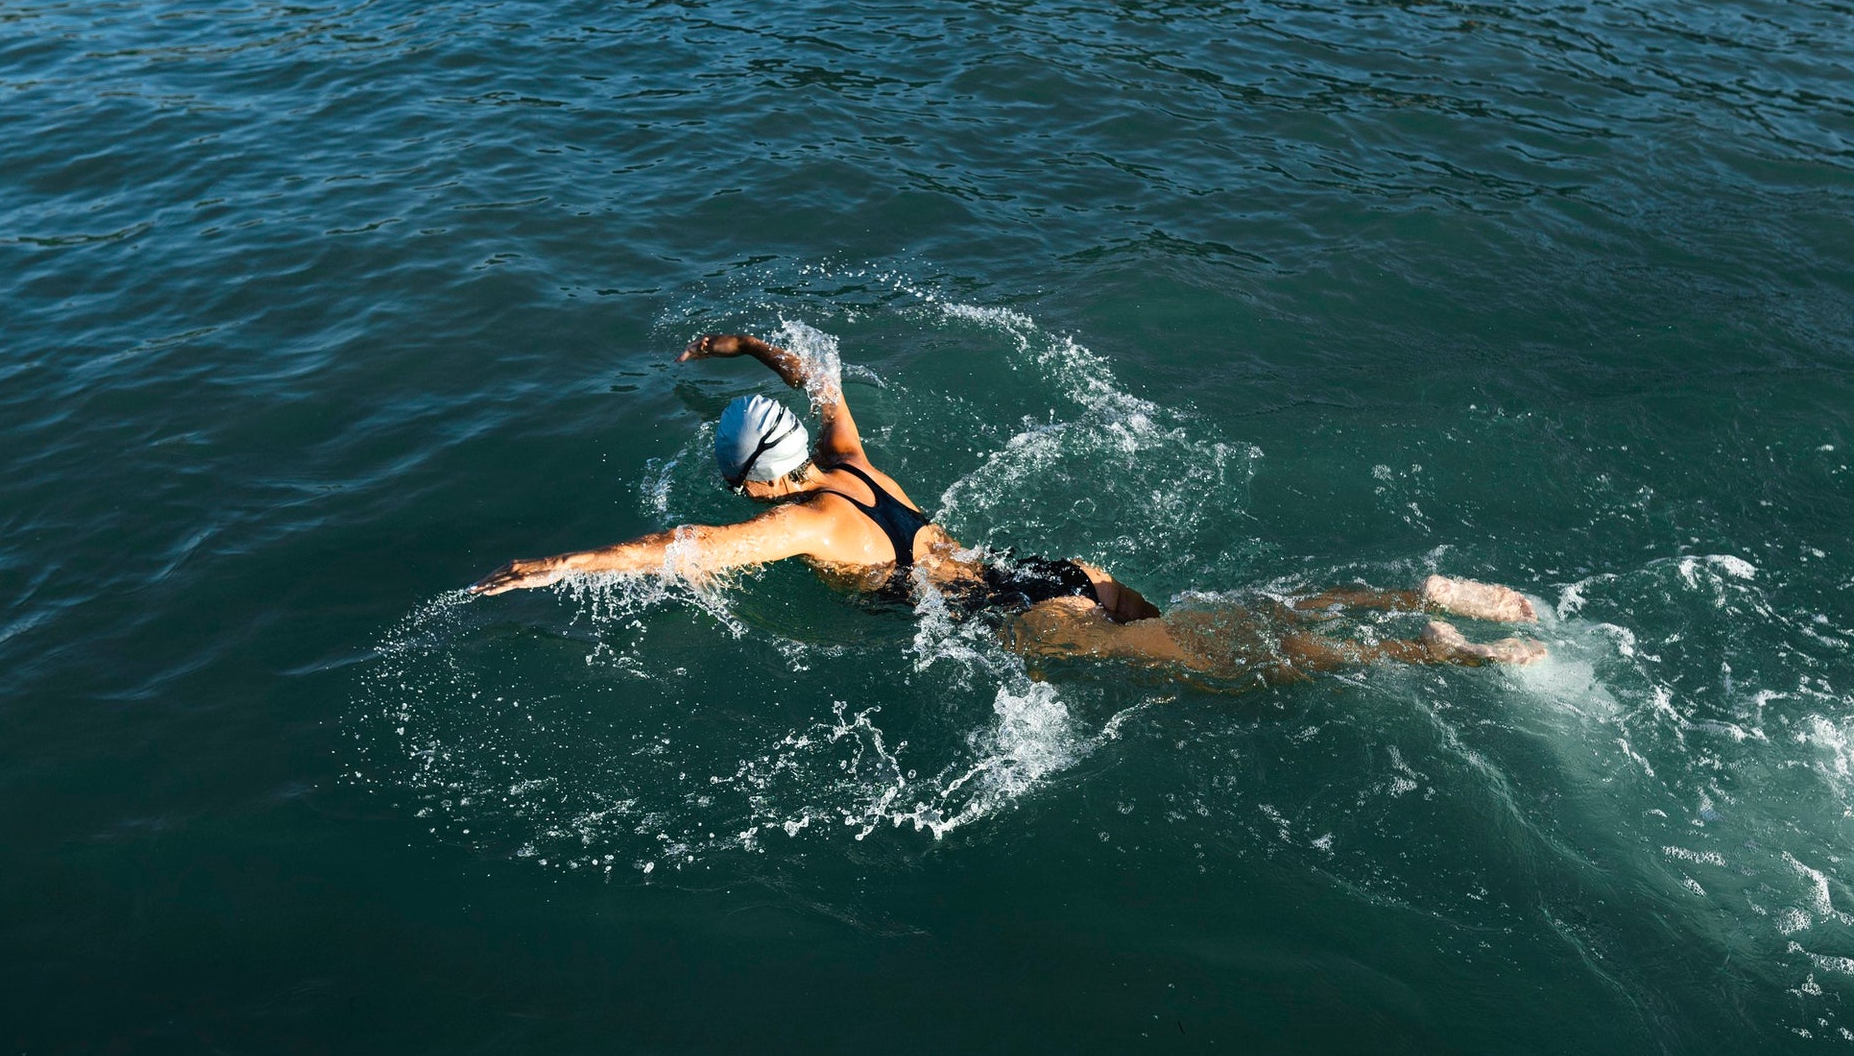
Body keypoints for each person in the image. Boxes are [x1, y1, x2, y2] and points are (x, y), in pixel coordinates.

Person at [472, 332, 1545, 683]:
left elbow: (677, 551)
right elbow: (820, 366)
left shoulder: (801, 524)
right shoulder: (853, 461)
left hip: (1020, 620)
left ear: (756, 480)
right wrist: (749, 348)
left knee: (1235, 670)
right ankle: (1411, 590)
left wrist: (548, 567)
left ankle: (1435, 652)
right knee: (1230, 608)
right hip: (1054, 568)